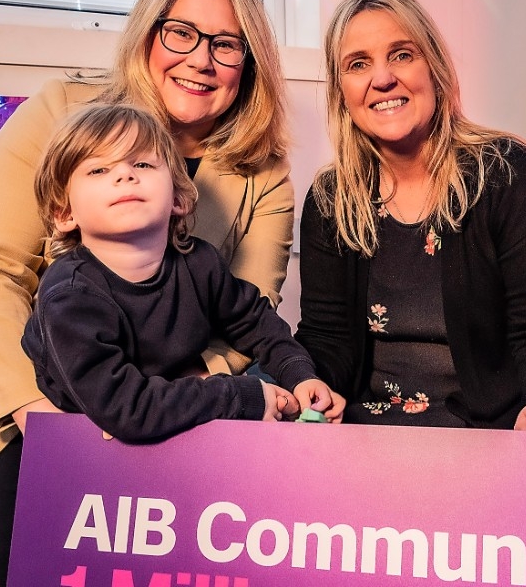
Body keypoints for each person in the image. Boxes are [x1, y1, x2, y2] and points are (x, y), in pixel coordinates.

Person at [0, 0, 294, 587]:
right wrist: (36, 408)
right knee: (11, 565)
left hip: (175, 401)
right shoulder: (60, 111)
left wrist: (156, 403)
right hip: (24, 399)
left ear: (249, 65)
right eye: (180, 32)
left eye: (226, 45)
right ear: (147, 34)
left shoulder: (263, 174)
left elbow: (248, 312)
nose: (201, 59)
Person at [295, 0, 526, 433]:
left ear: (434, 67)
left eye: (402, 55)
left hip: (488, 436)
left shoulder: (508, 174)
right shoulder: (330, 199)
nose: (383, 78)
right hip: (363, 437)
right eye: (358, 64)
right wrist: (309, 385)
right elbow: (326, 338)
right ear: (342, 92)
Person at [22, 104, 343, 442]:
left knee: (276, 394)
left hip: (175, 402)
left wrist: (299, 374)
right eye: (99, 170)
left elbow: (256, 321)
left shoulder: (198, 263)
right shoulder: (70, 295)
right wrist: (240, 396)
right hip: (87, 433)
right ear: (65, 213)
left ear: (178, 198)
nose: (125, 175)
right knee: (252, 395)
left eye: (142, 164)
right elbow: (128, 411)